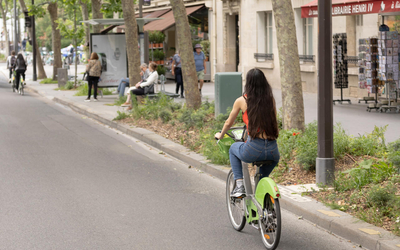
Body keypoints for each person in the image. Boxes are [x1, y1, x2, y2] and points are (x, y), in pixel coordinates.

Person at [214, 68, 280, 198]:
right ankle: (263, 206)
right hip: (273, 150)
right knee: (261, 178)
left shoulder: (242, 100)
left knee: (233, 148)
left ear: (248, 83)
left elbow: (228, 123)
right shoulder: (270, 100)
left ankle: (239, 186)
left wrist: (220, 135)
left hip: (254, 148)